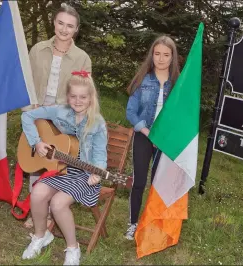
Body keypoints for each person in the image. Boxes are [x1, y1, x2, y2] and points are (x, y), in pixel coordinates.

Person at [20, 72, 107, 265]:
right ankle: (41, 236)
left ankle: (73, 248)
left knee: (58, 204)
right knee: (37, 192)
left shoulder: (98, 123)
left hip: (84, 174)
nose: (78, 101)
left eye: (83, 97)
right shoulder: (59, 111)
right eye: (73, 96)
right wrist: (37, 143)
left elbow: (100, 155)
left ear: (91, 97)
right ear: (67, 97)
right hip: (60, 169)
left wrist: (97, 172)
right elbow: (27, 116)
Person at [23, 3, 92, 229]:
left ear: (76, 30)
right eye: (61, 23)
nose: (64, 29)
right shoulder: (38, 50)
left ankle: (53, 212)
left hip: (64, 118)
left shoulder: (82, 58)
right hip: (38, 112)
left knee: (56, 164)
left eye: (70, 26)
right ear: (54, 23)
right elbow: (27, 81)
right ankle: (36, 212)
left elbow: (84, 92)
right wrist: (29, 107)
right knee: (36, 159)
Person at [124, 36, 180, 240]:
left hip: (165, 140)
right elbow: (131, 112)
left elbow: (180, 115)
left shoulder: (178, 84)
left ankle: (153, 222)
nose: (161, 59)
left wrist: (164, 136)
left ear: (172, 57)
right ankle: (132, 223)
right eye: (157, 54)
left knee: (159, 183)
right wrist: (148, 133)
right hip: (144, 136)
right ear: (152, 55)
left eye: (166, 55)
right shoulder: (143, 79)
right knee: (139, 181)